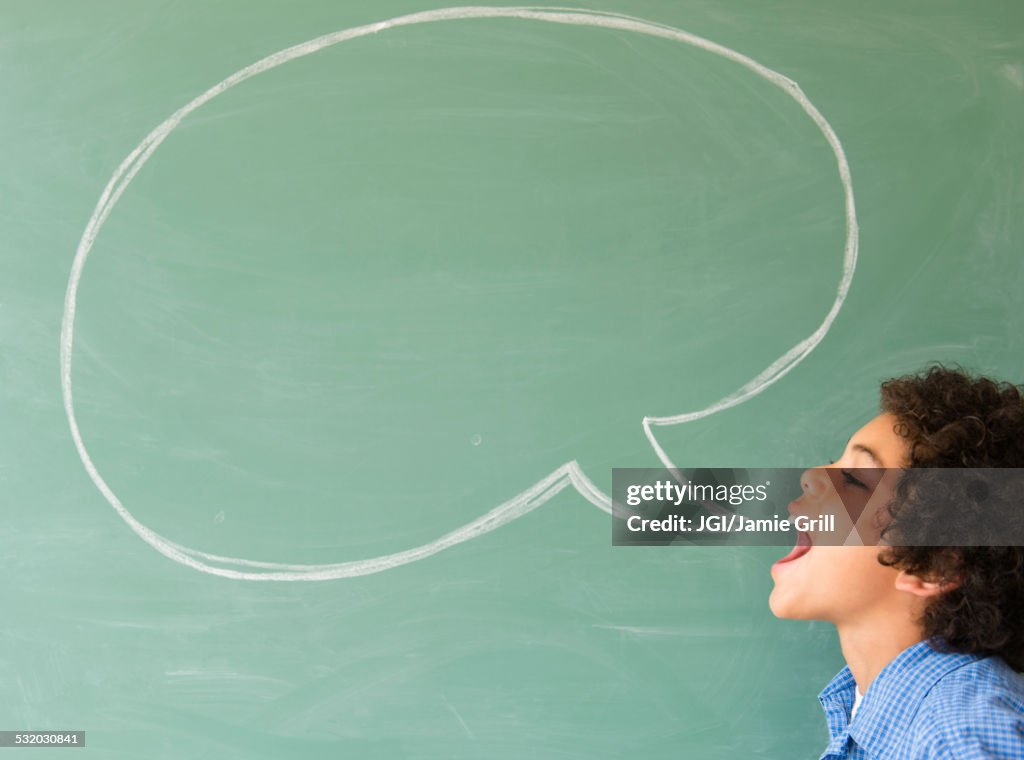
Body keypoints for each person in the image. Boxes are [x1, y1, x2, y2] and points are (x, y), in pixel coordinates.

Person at [769, 365, 1024, 759]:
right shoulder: (882, 712)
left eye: (854, 479)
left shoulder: (960, 734)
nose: (810, 475)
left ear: (932, 565)